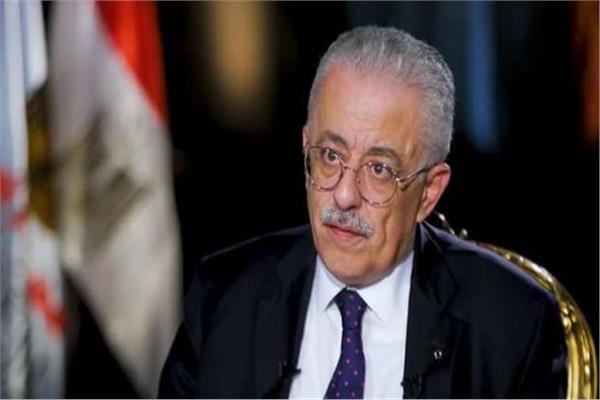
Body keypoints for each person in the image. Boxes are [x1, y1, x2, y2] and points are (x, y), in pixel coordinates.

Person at [158, 26, 566, 399]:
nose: (344, 195)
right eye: (329, 156)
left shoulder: (514, 327)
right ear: (305, 145)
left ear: (429, 192)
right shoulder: (222, 299)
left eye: (379, 169)